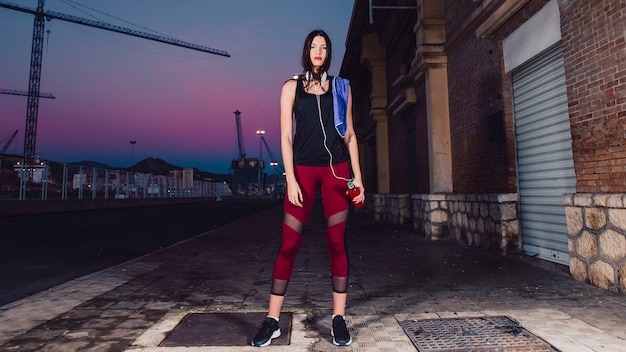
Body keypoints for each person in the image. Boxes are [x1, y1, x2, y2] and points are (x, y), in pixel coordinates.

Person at [251, 29, 365, 347]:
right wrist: (290, 178)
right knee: (288, 244)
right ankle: (272, 321)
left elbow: (351, 136)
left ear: (328, 53)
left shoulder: (341, 88)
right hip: (302, 172)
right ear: (306, 50)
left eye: (324, 47)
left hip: (337, 174)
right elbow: (286, 137)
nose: (318, 51)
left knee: (337, 243)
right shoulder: (291, 88)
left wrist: (358, 178)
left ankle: (338, 319)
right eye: (314, 46)